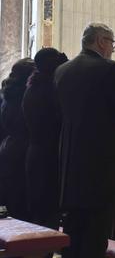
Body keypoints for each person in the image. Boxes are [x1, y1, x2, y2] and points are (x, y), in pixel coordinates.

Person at [55, 23, 115, 258]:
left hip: (70, 162)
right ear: (101, 41)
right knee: (96, 230)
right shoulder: (110, 69)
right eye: (112, 43)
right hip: (101, 163)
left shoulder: (62, 71)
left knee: (73, 227)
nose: (112, 49)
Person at [22, 49, 68, 239]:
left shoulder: (32, 87)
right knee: (48, 218)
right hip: (49, 158)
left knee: (38, 215)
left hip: (35, 155)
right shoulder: (50, 91)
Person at [0, 58, 36, 223]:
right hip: (25, 151)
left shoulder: (6, 95)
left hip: (8, 150)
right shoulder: (29, 95)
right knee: (27, 207)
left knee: (14, 206)